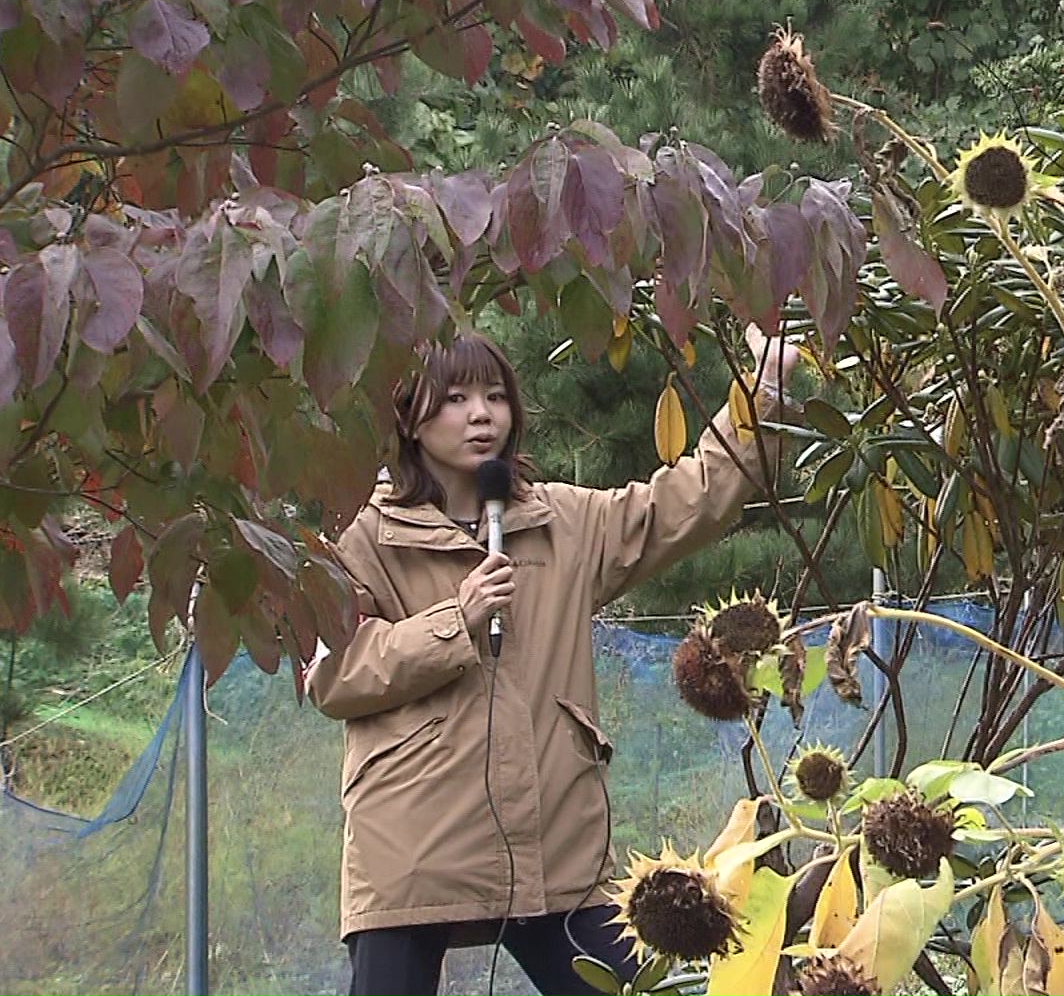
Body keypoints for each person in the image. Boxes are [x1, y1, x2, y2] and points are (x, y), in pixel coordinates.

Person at [306, 326, 799, 996]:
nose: (481, 414)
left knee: (631, 988)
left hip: (555, 855)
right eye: (454, 398)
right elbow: (333, 674)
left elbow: (684, 502)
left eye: (494, 396)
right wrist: (459, 619)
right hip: (411, 859)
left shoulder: (560, 522)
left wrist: (763, 390)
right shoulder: (364, 538)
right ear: (410, 417)